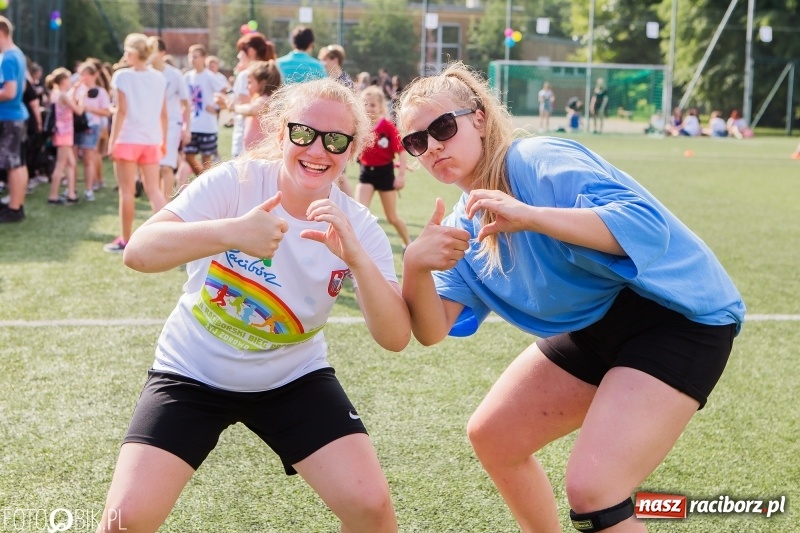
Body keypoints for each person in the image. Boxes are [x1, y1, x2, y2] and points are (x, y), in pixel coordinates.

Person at [395, 62, 745, 533]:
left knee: (595, 490)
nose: (433, 146)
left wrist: (531, 215)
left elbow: (645, 227)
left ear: (478, 118)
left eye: (442, 127)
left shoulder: (535, 158)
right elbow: (432, 328)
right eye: (416, 141)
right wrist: (415, 266)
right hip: (596, 321)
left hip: (679, 316)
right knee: (493, 436)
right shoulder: (463, 224)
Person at [95, 77, 409, 533]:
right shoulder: (236, 181)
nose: (317, 150)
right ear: (281, 134)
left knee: (371, 509)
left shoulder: (357, 224)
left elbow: (396, 337)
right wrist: (232, 233)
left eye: (336, 140)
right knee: (125, 520)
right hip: (191, 371)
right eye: (303, 132)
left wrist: (357, 259)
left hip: (292, 378)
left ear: (353, 150)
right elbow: (139, 252)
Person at [104, 34, 167, 253]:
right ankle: (169, 238)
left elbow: (121, 111)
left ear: (132, 53)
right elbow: (164, 114)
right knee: (154, 191)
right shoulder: (159, 77)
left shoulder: (122, 76)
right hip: (151, 141)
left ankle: (125, 240)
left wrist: (112, 141)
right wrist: (163, 140)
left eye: (126, 51)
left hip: (127, 140)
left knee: (127, 192)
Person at [356, 86, 411, 251]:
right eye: (365, 104)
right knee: (359, 214)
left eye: (372, 105)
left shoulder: (387, 127)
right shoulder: (360, 127)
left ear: (381, 106)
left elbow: (401, 152)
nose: (369, 108)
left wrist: (400, 176)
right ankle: (358, 250)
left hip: (385, 174)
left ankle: (408, 244)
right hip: (366, 173)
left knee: (392, 218)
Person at [150, 38, 191, 198]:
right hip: (150, 126)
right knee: (154, 167)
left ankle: (165, 205)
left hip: (172, 124)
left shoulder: (174, 75)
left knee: (166, 167)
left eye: (152, 50)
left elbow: (186, 103)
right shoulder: (145, 74)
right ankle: (158, 203)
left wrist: (187, 128)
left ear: (162, 53)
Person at [0, 16, 30, 223]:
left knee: (14, 165)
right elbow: (23, 87)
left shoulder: (8, 58)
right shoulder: (17, 54)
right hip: (17, 115)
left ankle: (14, 209)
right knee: (18, 164)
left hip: (9, 117)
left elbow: (9, 92)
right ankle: (16, 205)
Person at [183, 44, 228, 177]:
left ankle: (205, 181)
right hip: (192, 124)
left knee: (206, 158)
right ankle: (203, 179)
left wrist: (218, 108)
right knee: (188, 155)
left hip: (207, 125)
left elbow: (225, 91)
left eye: (195, 56)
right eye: (190, 56)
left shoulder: (209, 76)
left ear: (203, 58)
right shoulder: (187, 77)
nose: (192, 59)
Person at [229, 33, 276, 158]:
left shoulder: (246, 75)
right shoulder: (270, 71)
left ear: (250, 51)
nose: (238, 55)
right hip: (263, 143)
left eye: (241, 51)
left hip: (247, 143)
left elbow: (247, 108)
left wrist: (232, 106)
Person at [44, 67, 83, 205]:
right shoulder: (62, 95)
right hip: (64, 134)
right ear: (63, 81)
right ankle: (53, 196)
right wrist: (83, 98)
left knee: (71, 163)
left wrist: (75, 89)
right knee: (60, 165)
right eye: (68, 79)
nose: (70, 81)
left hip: (63, 133)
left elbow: (68, 98)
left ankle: (71, 193)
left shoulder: (57, 93)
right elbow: (78, 110)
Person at [75, 62, 112, 200]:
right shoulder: (78, 90)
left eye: (86, 75)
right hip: (76, 127)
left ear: (94, 75)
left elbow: (107, 112)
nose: (83, 78)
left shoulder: (100, 92)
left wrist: (89, 109)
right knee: (74, 159)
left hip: (92, 127)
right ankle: (73, 189)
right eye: (81, 75)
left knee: (89, 158)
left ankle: (90, 188)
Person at [232, 60, 281, 151]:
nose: (247, 86)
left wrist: (234, 108)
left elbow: (251, 110)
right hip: (254, 152)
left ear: (262, 83)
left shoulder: (265, 100)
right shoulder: (258, 99)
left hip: (262, 153)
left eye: (249, 82)